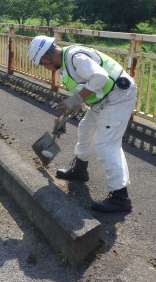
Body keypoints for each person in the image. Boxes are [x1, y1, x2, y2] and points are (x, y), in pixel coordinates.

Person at [28, 36, 137, 213]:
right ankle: (79, 170)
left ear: (46, 59)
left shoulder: (74, 57)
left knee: (106, 145)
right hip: (101, 100)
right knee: (86, 129)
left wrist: (77, 98)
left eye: (43, 65)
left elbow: (100, 77)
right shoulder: (64, 65)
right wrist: (64, 117)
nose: (46, 69)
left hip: (118, 97)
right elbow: (86, 90)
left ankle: (120, 197)